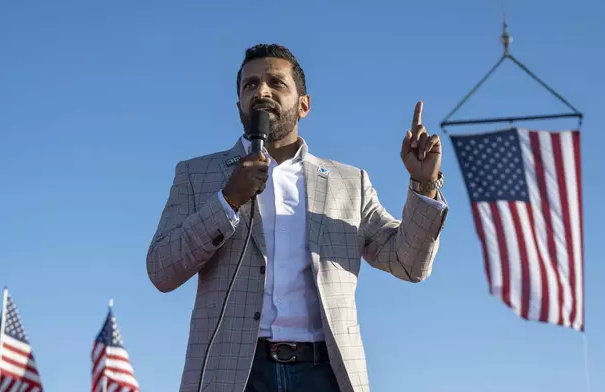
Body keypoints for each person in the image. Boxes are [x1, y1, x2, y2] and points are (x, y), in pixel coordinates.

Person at [146, 43, 449, 392]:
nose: (261, 91)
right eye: (250, 84)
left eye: (276, 82)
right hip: (235, 376)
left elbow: (408, 263)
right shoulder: (197, 175)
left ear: (304, 105)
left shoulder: (349, 183)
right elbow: (161, 270)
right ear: (238, 106)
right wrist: (227, 200)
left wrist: (424, 185)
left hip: (324, 373)